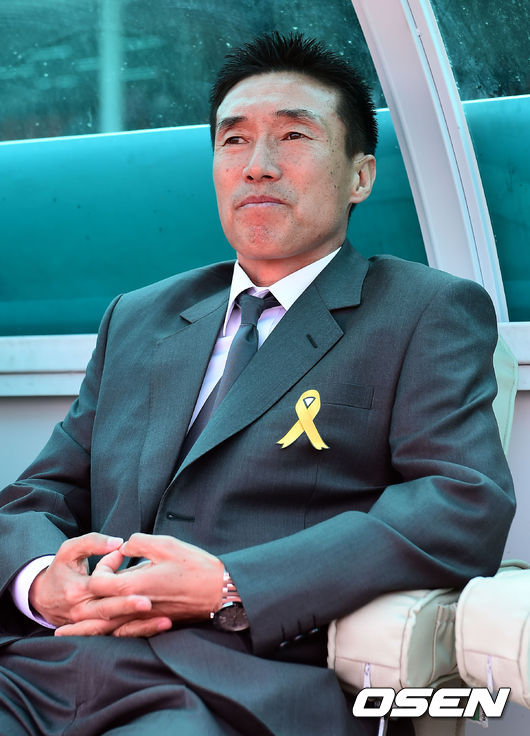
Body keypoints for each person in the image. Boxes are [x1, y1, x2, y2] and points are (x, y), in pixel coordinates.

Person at [0, 32, 515, 736]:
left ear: (360, 176)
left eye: (294, 136)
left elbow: (462, 503)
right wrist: (40, 582)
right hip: (46, 666)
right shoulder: (140, 318)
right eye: (234, 140)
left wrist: (230, 584)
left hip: (234, 688)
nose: (258, 166)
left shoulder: (423, 311)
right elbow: (40, 493)